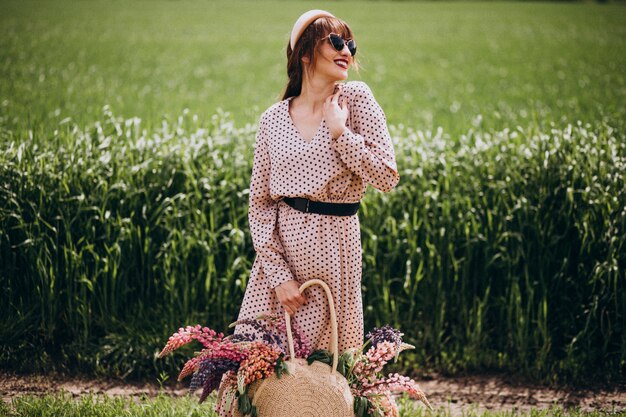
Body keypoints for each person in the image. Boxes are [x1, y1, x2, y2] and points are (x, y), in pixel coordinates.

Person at [217, 9, 400, 415]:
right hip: (280, 262)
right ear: (305, 53)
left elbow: (387, 176)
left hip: (336, 254)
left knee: (331, 373)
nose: (346, 50)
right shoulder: (272, 121)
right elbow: (261, 206)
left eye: (350, 44)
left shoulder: (356, 100)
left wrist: (341, 134)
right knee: (256, 369)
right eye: (335, 41)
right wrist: (279, 276)